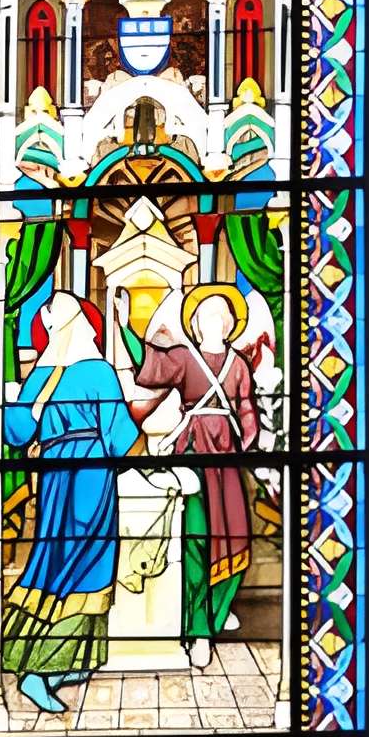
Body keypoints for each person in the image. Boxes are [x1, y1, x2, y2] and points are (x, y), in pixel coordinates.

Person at [1, 291, 157, 712]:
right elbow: (120, 433)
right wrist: (153, 453)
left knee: (55, 561)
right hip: (90, 475)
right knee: (85, 562)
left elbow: (14, 433)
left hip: (54, 476)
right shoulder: (98, 371)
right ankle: (37, 670)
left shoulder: (42, 374)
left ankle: (64, 664)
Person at [132, 285, 261, 668]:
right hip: (191, 454)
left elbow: (247, 408)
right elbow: (151, 366)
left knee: (235, 536)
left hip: (227, 459)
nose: (213, 322)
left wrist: (255, 442)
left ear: (229, 323)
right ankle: (199, 628)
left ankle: (217, 612)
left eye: (220, 316)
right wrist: (125, 326)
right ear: (196, 323)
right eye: (205, 315)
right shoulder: (186, 359)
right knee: (196, 542)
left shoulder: (239, 363)